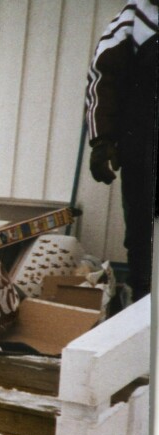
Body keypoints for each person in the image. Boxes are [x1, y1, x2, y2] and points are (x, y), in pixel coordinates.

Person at [85, 0, 158, 301]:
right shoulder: (135, 17)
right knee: (142, 231)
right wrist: (102, 141)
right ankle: (144, 302)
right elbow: (103, 77)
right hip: (143, 143)